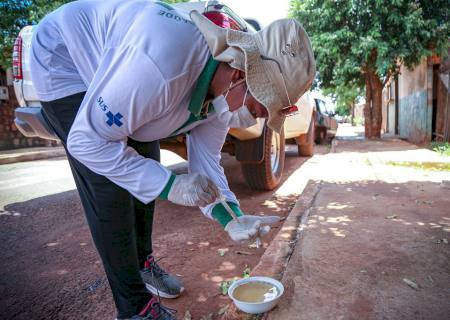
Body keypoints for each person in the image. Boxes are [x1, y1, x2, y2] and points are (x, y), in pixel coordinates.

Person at [29, 0, 315, 319]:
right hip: (65, 57)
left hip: (131, 73)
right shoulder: (160, 65)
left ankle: (142, 263)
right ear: (238, 72)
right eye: (261, 108)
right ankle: (135, 309)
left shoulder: (223, 94)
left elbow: (207, 165)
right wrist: (168, 185)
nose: (256, 119)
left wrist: (231, 218)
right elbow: (85, 141)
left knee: (145, 160)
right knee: (111, 184)